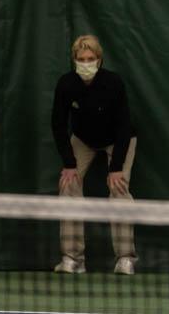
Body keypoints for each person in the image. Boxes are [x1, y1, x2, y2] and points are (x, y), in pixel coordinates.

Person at [50, 34, 138, 275]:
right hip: (83, 139)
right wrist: (69, 164)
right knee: (68, 185)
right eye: (81, 59)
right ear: (74, 60)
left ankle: (125, 258)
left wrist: (116, 167)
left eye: (91, 58)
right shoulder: (66, 84)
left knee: (119, 188)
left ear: (99, 60)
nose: (86, 63)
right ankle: (73, 258)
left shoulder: (113, 83)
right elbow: (58, 125)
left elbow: (123, 125)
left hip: (119, 139)